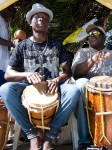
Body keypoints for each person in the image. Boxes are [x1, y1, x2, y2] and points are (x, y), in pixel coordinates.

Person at [0, 3, 80, 150]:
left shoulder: (56, 44)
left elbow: (68, 71)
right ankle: (32, 135)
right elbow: (8, 74)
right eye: (37, 17)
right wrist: (27, 74)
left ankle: (50, 136)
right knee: (5, 90)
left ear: (48, 24)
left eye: (45, 18)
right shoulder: (22, 46)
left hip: (54, 87)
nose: (42, 19)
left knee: (73, 91)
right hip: (28, 88)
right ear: (31, 22)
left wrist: (57, 80)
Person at [72, 24, 112, 150]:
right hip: (89, 96)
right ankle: (84, 141)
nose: (91, 36)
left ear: (104, 37)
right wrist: (92, 60)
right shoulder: (83, 52)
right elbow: (76, 73)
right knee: (80, 84)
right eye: (90, 34)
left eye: (95, 33)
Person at [0, 5, 16, 86]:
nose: (12, 14)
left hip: (4, 64)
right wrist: (12, 44)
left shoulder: (4, 22)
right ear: (5, 8)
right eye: (11, 11)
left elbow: (8, 45)